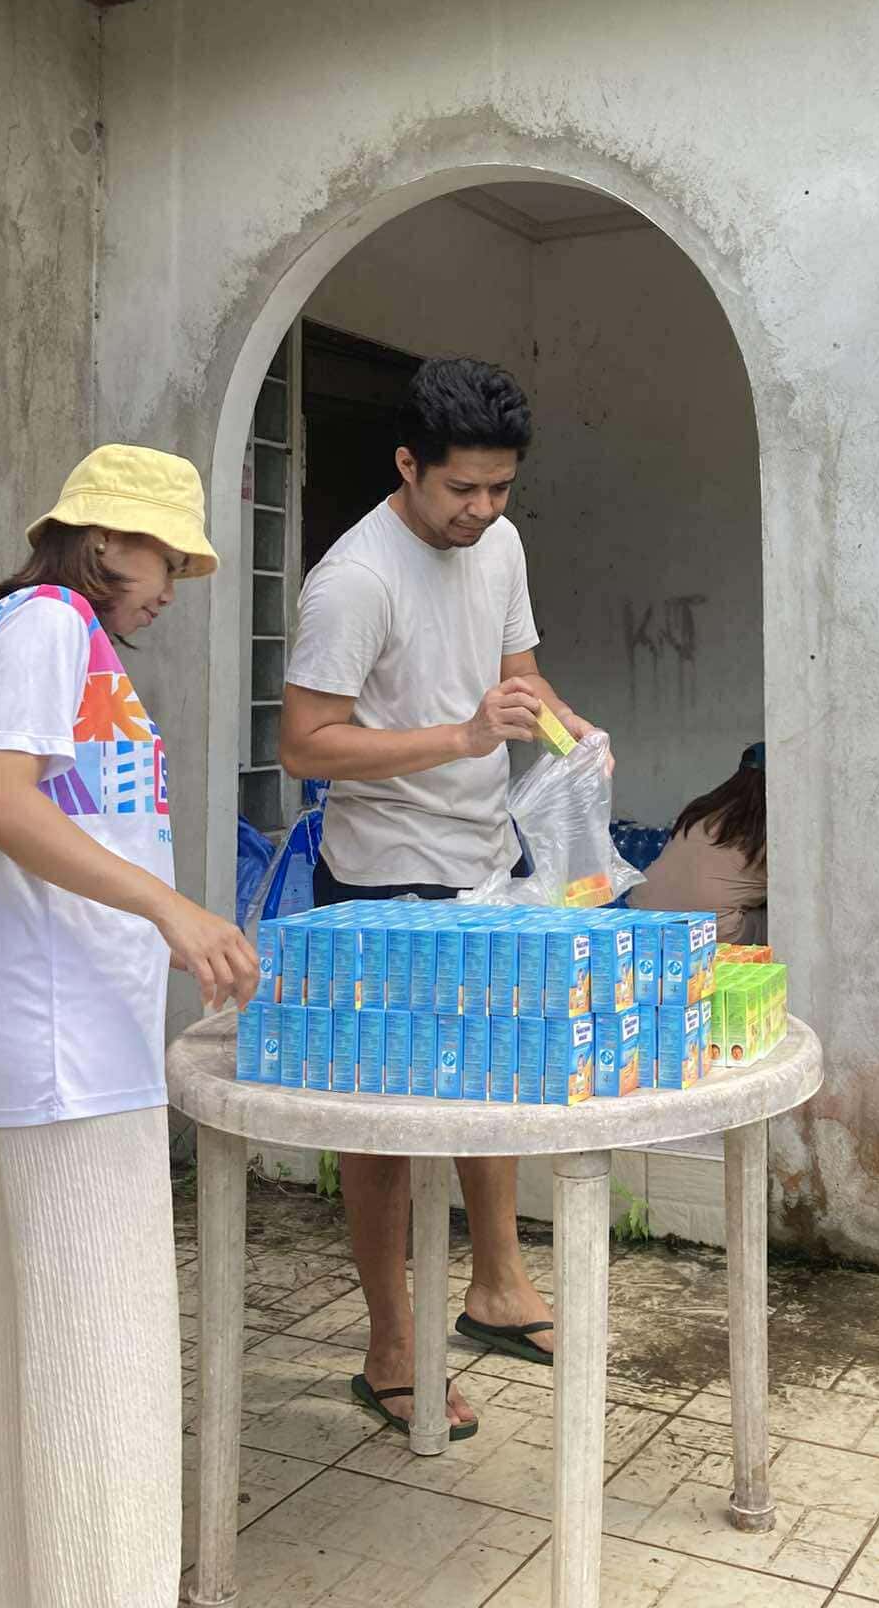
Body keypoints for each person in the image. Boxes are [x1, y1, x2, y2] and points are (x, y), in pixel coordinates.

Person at [0, 447, 259, 1608]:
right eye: (163, 553)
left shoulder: (63, 634)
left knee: (34, 1333)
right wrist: (170, 906)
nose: (172, 580)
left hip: (77, 1034)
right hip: (60, 1042)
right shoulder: (45, 624)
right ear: (104, 538)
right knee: (105, 1353)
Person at [280, 357, 605, 1441]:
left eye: (499, 488)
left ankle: (499, 1288)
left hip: (484, 855)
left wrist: (571, 734)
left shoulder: (500, 544)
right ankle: (388, 1347)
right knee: (384, 1127)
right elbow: (304, 745)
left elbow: (520, 682)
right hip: (378, 879)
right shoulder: (353, 579)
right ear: (408, 464)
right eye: (461, 488)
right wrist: (461, 739)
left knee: (494, 1073)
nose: (481, 510)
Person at [628, 743, 766, 943]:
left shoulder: (704, 809)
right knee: (781, 917)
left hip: (639, 913)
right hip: (709, 931)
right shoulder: (767, 828)